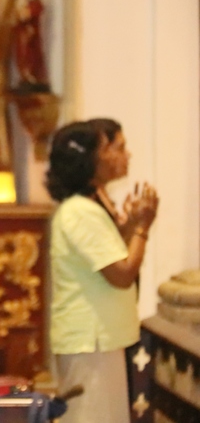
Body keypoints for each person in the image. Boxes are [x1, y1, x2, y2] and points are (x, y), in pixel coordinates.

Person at [45, 120, 158, 423]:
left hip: (98, 338)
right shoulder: (80, 211)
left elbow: (109, 254)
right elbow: (121, 274)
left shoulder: (87, 206)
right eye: (115, 147)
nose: (126, 155)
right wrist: (143, 228)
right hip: (90, 340)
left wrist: (130, 225)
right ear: (90, 159)